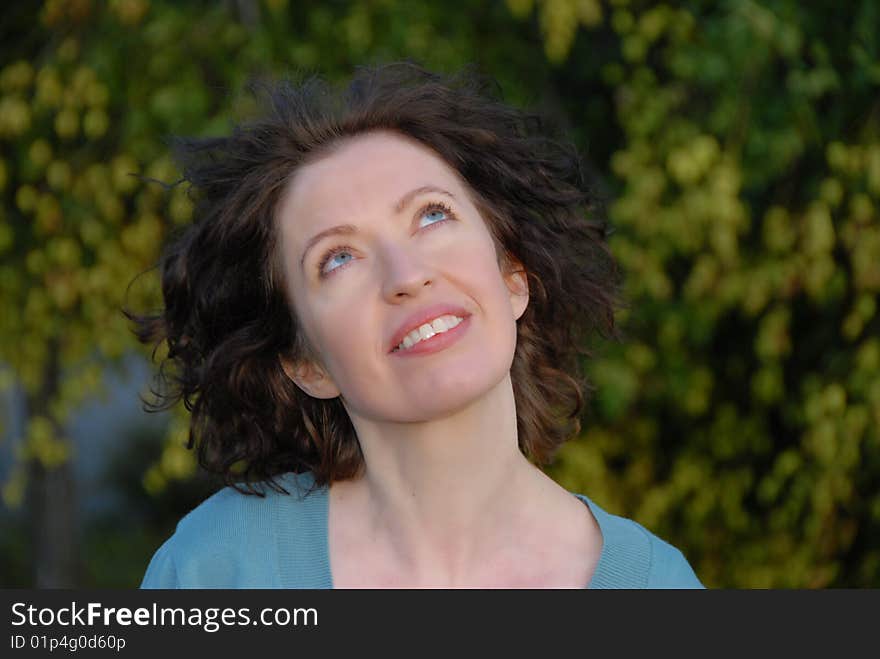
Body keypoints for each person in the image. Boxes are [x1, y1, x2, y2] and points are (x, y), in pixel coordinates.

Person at [129, 62, 704, 589]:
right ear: (307, 363)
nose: (407, 275)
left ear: (513, 276)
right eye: (338, 258)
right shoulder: (215, 571)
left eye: (432, 215)